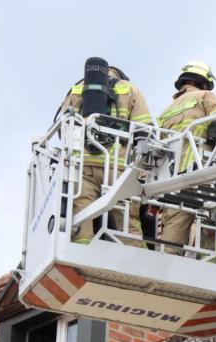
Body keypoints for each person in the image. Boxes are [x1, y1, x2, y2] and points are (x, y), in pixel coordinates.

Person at [58, 57, 153, 247]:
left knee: (81, 218)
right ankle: (134, 259)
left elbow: (63, 130)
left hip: (82, 166)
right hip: (117, 167)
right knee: (126, 219)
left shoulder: (77, 90)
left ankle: (80, 253)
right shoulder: (130, 89)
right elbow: (145, 130)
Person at [156, 60, 216, 258]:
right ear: (205, 83)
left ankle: (165, 267)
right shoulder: (205, 96)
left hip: (171, 181)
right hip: (200, 170)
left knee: (173, 231)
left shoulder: (165, 112)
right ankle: (212, 266)